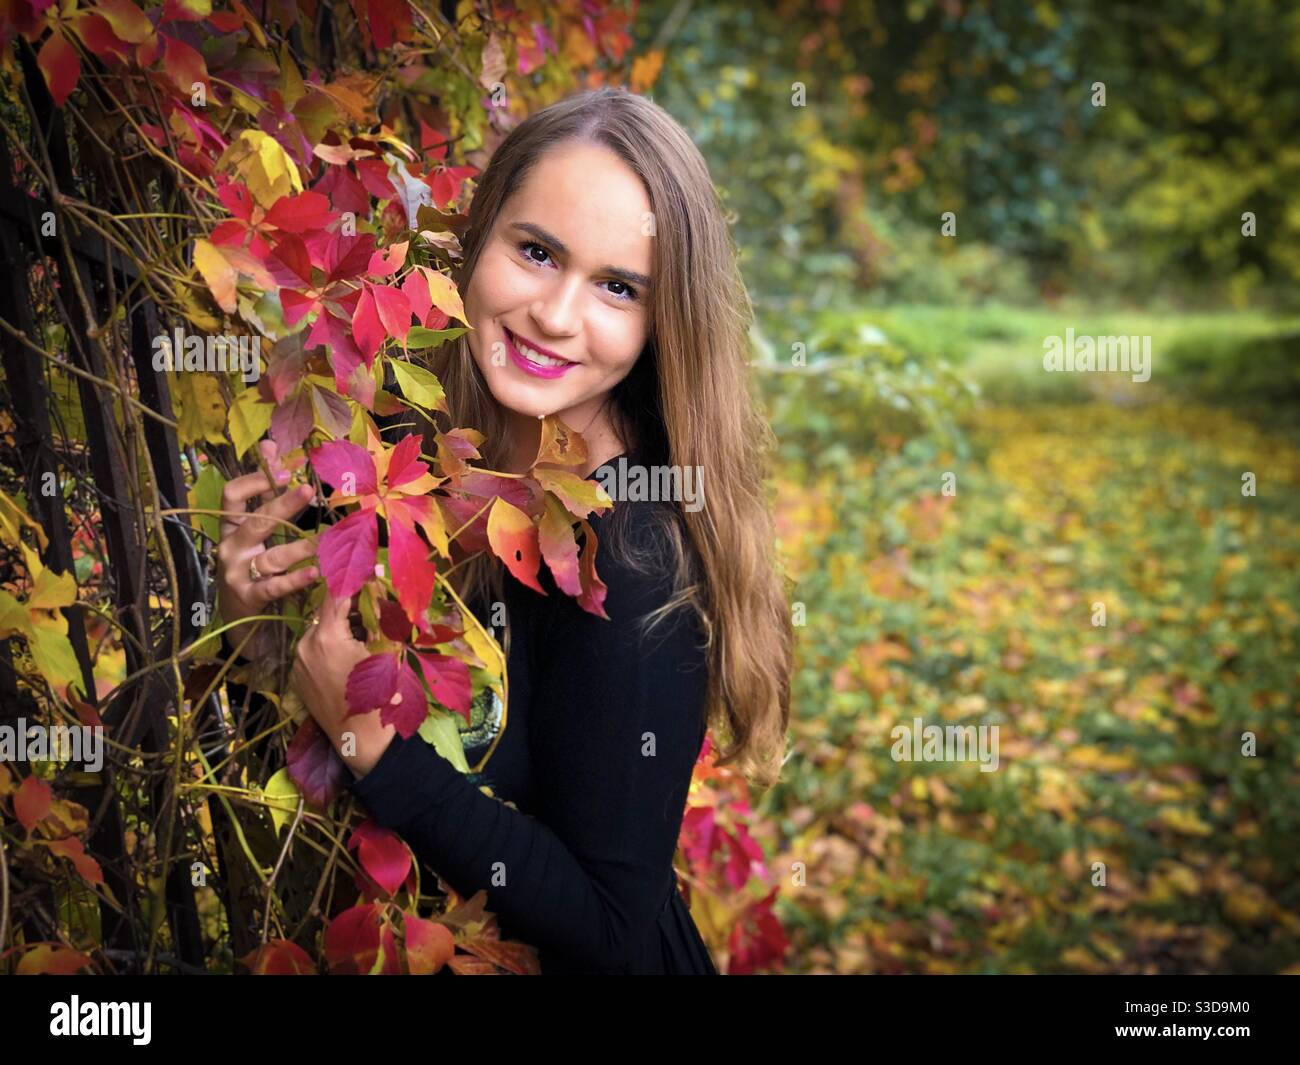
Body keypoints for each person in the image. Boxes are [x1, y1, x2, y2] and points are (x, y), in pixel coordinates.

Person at [215, 86, 793, 974]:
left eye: (617, 287)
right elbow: (307, 719)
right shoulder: (409, 454)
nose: (556, 316)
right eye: (536, 251)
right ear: (477, 241)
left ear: (659, 321)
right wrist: (256, 618)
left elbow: (610, 927)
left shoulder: (631, 556)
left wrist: (373, 747)